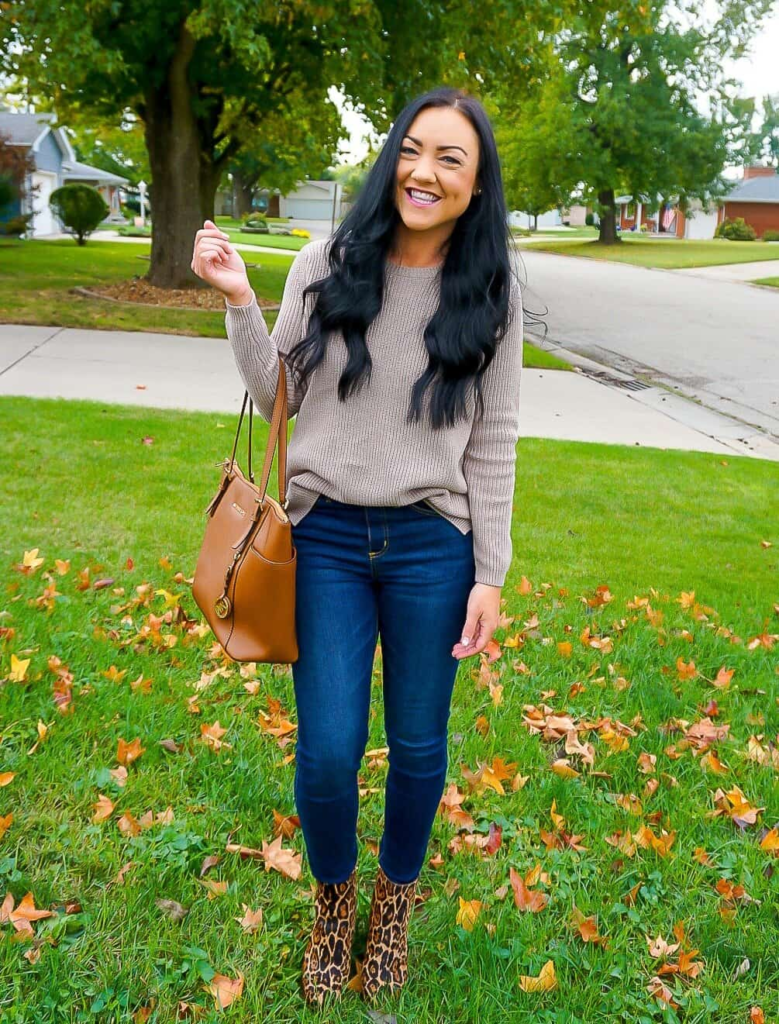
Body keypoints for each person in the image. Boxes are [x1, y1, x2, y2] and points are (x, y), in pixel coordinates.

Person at [191, 84, 525, 1009]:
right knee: (329, 749)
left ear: (475, 183)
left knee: (419, 747)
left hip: (432, 547)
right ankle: (334, 905)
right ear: (392, 160)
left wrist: (489, 573)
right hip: (325, 538)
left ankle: (398, 901)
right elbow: (278, 397)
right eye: (413, 151)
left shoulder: (490, 294)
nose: (425, 172)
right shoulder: (325, 261)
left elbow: (492, 438)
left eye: (450, 159)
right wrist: (238, 302)